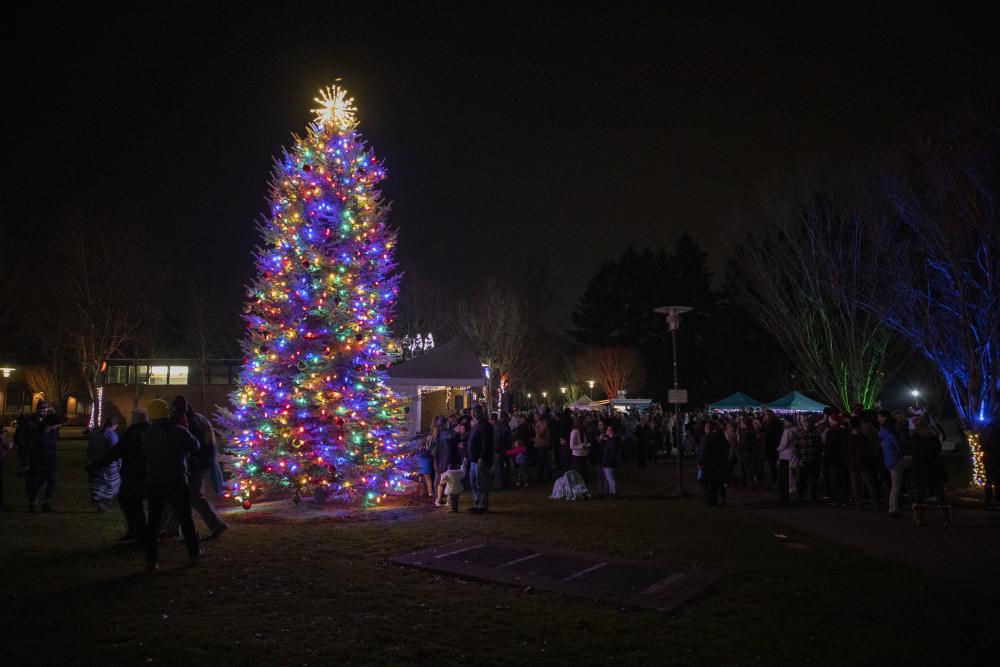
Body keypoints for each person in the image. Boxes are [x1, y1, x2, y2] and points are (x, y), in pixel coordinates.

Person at [141, 399, 201, 572]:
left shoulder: (146, 434)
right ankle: (193, 553)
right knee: (185, 519)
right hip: (177, 480)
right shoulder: (179, 431)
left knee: (153, 522)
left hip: (155, 482)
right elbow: (195, 445)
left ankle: (150, 561)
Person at [89, 409, 149, 545]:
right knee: (133, 503)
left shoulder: (131, 433)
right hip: (147, 474)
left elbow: (115, 452)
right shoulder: (151, 432)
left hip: (132, 475)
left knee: (131, 503)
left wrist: (96, 465)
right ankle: (139, 532)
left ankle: (140, 534)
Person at [173, 396, 229, 540]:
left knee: (196, 497)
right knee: (184, 496)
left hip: (194, 465)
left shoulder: (187, 422)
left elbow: (192, 444)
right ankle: (171, 528)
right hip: (200, 463)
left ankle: (217, 525)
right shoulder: (198, 419)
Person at [26, 412, 62, 511]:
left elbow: (52, 446)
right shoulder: (38, 433)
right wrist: (27, 463)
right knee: (38, 483)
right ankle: (33, 501)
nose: (58, 426)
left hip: (50, 461)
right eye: (57, 424)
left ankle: (47, 502)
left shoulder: (53, 433)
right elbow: (30, 448)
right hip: (38, 461)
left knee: (52, 480)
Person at [86, 416, 120, 512]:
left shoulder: (95, 434)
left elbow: (89, 448)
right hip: (107, 464)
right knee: (111, 484)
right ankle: (101, 502)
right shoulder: (111, 434)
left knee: (98, 482)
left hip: (95, 462)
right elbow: (115, 450)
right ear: (114, 425)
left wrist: (89, 460)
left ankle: (100, 502)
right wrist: (119, 462)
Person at [846, 416, 879, 510]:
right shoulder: (863, 437)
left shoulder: (848, 437)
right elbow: (868, 451)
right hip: (863, 464)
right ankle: (875, 502)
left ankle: (858, 504)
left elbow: (844, 451)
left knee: (855, 484)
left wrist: (848, 461)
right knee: (869, 483)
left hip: (853, 464)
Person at [909, 416, 944, 503]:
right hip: (933, 465)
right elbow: (938, 449)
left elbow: (912, 450)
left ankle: (919, 510)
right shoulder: (932, 437)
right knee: (937, 488)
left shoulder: (915, 438)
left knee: (921, 489)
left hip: (920, 466)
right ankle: (943, 507)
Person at [466, 405, 494, 513]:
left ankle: (482, 505)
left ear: (480, 413)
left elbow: (486, 444)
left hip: (480, 460)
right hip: (474, 460)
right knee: (474, 483)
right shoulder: (477, 426)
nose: (473, 415)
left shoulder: (485, 426)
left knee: (481, 483)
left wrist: (482, 458)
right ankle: (477, 503)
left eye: (475, 412)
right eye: (472, 412)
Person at [878, 411, 906, 518]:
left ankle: (894, 506)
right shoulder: (892, 435)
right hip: (895, 461)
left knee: (895, 484)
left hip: (888, 460)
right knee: (896, 485)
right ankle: (893, 508)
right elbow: (899, 448)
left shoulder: (882, 433)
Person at [698, 421, 729, 506]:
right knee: (714, 483)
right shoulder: (719, 437)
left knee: (703, 482)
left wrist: (700, 462)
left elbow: (703, 452)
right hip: (717, 464)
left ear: (707, 428)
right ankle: (714, 500)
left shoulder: (707, 438)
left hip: (707, 464)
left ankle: (707, 500)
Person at [823, 414, 849, 505]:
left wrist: (826, 459)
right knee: (843, 479)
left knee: (834, 479)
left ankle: (836, 499)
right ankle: (845, 498)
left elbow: (828, 447)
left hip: (833, 459)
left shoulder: (831, 431)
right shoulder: (844, 431)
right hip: (843, 458)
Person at [794, 416, 821, 501]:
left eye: (807, 422)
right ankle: (801, 496)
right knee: (802, 479)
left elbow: (820, 447)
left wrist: (818, 457)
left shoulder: (816, 434)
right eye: (805, 422)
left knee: (813, 479)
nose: (806, 424)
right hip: (804, 459)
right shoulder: (799, 434)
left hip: (814, 459)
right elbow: (796, 448)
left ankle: (813, 496)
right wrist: (799, 459)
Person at [776, 415, 798, 502]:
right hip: (792, 451)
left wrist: (778, 448)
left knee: (787, 471)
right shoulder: (795, 429)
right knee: (792, 470)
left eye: (785, 421)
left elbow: (784, 442)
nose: (784, 422)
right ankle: (793, 486)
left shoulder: (787, 431)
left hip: (786, 453)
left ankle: (790, 487)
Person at [980, 416, 1000, 506]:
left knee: (989, 479)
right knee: (997, 479)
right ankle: (997, 499)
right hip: (994, 457)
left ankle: (988, 499)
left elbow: (982, 443)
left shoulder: (986, 429)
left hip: (989, 457)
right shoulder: (994, 430)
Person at [599, 424, 620, 498]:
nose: (606, 431)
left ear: (611, 431)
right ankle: (612, 492)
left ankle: (614, 493)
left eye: (608, 430)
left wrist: (607, 460)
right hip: (608, 462)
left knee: (611, 478)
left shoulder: (613, 441)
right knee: (609, 478)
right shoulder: (611, 440)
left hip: (609, 462)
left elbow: (613, 453)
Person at [492, 411, 511, 490]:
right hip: (501, 448)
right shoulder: (503, 425)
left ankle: (499, 483)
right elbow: (507, 436)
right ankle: (500, 484)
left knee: (498, 467)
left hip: (497, 448)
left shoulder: (496, 425)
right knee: (500, 467)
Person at [569, 416, 590, 482]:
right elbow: (571, 446)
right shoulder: (575, 432)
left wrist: (587, 446)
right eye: (584, 421)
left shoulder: (583, 432)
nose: (586, 423)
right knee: (580, 475)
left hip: (583, 456)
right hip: (577, 457)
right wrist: (582, 446)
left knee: (584, 475)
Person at [533, 412, 552, 481]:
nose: (534, 418)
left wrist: (536, 427)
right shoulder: (540, 424)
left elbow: (541, 433)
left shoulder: (543, 424)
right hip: (539, 445)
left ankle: (546, 476)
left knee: (544, 461)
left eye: (535, 416)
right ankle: (542, 475)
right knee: (541, 461)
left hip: (542, 445)